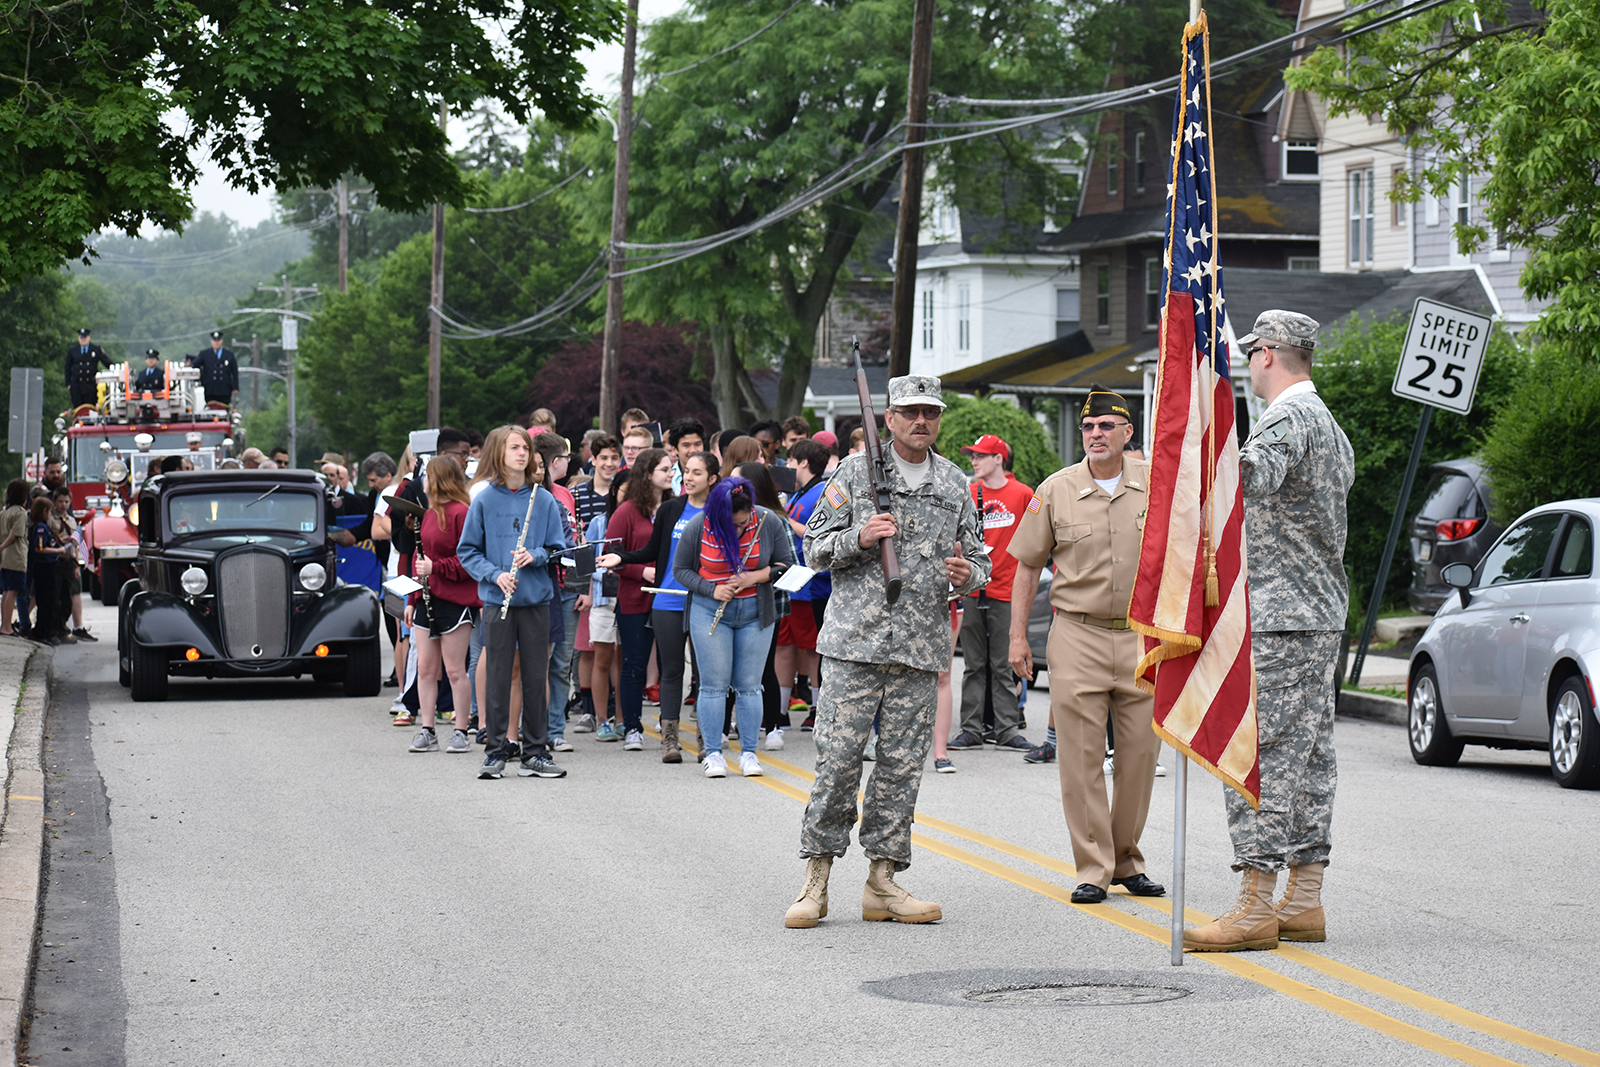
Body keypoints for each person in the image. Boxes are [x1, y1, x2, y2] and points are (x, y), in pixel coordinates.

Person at [786, 375, 989, 929]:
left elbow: (979, 557)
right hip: (855, 644)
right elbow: (813, 546)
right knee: (838, 764)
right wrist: (860, 537)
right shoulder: (853, 474)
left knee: (900, 770)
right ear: (891, 418)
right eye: (909, 412)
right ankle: (816, 878)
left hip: (920, 648)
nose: (921, 421)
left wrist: (969, 574)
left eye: (930, 412)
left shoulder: (953, 481)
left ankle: (883, 881)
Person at [1183, 310, 1353, 952]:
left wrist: (1200, 450)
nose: (1248, 364)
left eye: (1253, 353)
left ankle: (1255, 901)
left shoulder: (1287, 420)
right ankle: (1303, 897)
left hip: (1280, 615)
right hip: (1316, 611)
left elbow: (1246, 480)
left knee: (1261, 755)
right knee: (1310, 756)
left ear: (1268, 356)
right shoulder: (1330, 426)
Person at [1006, 387, 1165, 906]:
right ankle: (1094, 867)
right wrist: (1016, 638)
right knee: (1080, 756)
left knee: (1140, 754)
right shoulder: (1056, 489)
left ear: (1127, 433)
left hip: (1143, 637)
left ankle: (1126, 858)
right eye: (1088, 427)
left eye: (1106, 426)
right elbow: (1028, 565)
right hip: (1078, 633)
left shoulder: (1158, 485)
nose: (1095, 435)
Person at [458, 425, 571, 780]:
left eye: (525, 448)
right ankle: (495, 751)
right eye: (514, 448)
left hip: (536, 600)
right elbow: (468, 551)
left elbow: (557, 548)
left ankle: (535, 752)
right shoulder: (484, 500)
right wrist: (495, 574)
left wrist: (534, 556)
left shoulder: (545, 499)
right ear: (498, 453)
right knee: (498, 677)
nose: (522, 454)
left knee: (537, 678)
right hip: (498, 600)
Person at [672, 476, 794, 779]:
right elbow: (680, 570)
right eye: (733, 525)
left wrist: (755, 577)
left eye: (743, 523)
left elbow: (786, 563)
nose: (739, 529)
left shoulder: (767, 522)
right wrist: (711, 589)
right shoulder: (699, 525)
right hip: (709, 610)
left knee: (750, 685)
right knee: (713, 685)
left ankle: (749, 753)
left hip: (756, 611)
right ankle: (713, 753)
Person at [601, 451, 719, 763]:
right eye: (686, 471)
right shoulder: (671, 509)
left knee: (705, 675)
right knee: (671, 671)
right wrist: (622, 558)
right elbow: (652, 549)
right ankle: (670, 740)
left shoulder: (719, 510)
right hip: (667, 599)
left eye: (696, 472)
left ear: (712, 479)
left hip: (704, 600)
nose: (688, 478)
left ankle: (707, 739)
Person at [948, 434, 1035, 756]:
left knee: (1003, 664)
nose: (974, 461)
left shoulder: (1024, 493)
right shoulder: (969, 493)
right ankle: (971, 729)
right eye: (972, 456)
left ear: (998, 459)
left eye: (981, 456)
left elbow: (1037, 540)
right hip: (972, 589)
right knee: (972, 664)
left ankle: (1007, 729)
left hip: (1008, 591)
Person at [404, 456, 482, 755]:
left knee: (454, 670)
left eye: (426, 476)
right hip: (427, 598)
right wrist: (412, 598)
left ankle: (461, 730)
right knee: (425, 668)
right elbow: (418, 558)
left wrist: (436, 568)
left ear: (437, 478)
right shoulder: (428, 514)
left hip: (456, 600)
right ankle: (427, 729)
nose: (421, 481)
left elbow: (470, 560)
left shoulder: (462, 513)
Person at [602, 447, 675, 752]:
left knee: (671, 666)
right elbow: (610, 557)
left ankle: (668, 723)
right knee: (634, 664)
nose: (671, 474)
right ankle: (632, 726)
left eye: (672, 469)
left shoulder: (676, 508)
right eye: (665, 469)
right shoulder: (627, 511)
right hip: (635, 599)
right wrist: (641, 572)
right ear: (647, 474)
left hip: (672, 598)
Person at [774, 438, 834, 742]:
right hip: (789, 581)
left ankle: (816, 708)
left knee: (812, 648)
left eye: (791, 462)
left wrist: (781, 516)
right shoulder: (798, 493)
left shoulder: (820, 493)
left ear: (804, 463)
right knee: (785, 645)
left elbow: (817, 533)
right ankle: (780, 711)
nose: (787, 468)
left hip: (811, 584)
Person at [27, 498, 71, 644]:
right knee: (46, 601)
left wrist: (63, 542)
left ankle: (45, 631)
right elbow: (39, 548)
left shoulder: (45, 527)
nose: (51, 515)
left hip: (50, 566)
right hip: (43, 567)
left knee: (51, 600)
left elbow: (49, 542)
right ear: (44, 512)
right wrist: (58, 550)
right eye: (50, 512)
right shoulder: (40, 527)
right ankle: (42, 632)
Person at [1, 480, 29, 636]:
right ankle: (7, 627)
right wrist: (3, 547)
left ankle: (4, 623)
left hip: (5, 559)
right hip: (16, 557)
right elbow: (15, 535)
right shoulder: (20, 513)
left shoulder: (4, 512)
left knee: (6, 591)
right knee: (13, 591)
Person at [187, 331, 239, 407]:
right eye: (215, 341)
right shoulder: (205, 354)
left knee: (224, 409)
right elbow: (194, 365)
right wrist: (201, 379)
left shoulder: (229, 355)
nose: (216, 343)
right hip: (210, 389)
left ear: (222, 341)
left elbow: (234, 372)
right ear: (211, 341)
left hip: (225, 390)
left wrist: (235, 387)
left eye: (218, 340)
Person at [65, 328, 113, 409]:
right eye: (81, 338)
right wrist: (68, 383)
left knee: (90, 409)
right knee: (78, 410)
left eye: (85, 337)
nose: (83, 340)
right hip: (77, 386)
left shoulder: (96, 349)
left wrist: (115, 369)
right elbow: (67, 367)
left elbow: (107, 362)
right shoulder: (73, 350)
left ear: (89, 337)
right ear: (78, 338)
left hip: (91, 386)